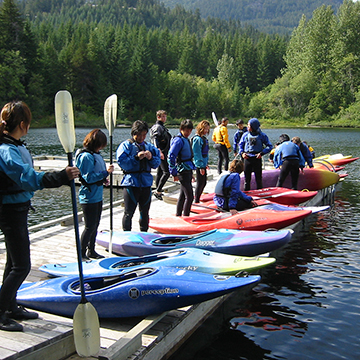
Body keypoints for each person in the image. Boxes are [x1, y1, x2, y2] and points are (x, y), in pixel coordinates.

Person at [0, 101, 79, 332]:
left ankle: (11, 305)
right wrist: (60, 177)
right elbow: (27, 178)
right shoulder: (6, 151)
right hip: (9, 211)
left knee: (13, 262)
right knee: (22, 266)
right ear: (23, 124)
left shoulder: (14, 145)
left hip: (18, 207)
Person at [75, 129, 114, 261]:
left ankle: (91, 250)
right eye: (101, 144)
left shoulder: (96, 155)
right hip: (88, 197)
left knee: (95, 225)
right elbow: (88, 178)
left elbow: (96, 175)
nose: (102, 147)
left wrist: (104, 179)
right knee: (89, 226)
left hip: (97, 196)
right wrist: (105, 173)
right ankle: (81, 254)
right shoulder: (86, 157)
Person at [117, 120, 161, 232]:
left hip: (145, 183)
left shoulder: (149, 147)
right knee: (128, 212)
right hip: (131, 183)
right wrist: (136, 157)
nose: (142, 137)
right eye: (139, 134)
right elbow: (122, 163)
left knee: (144, 212)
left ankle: (144, 234)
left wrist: (151, 157)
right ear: (134, 133)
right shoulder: (126, 146)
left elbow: (156, 163)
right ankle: (126, 235)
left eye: (144, 135)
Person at [168, 119, 196, 216]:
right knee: (190, 196)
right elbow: (171, 156)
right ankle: (186, 216)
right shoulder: (178, 141)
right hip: (182, 171)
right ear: (181, 129)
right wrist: (173, 172)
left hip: (187, 170)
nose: (188, 133)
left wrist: (191, 174)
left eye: (190, 131)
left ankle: (178, 214)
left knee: (183, 195)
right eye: (186, 130)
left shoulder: (186, 139)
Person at [239, 118, 272, 190]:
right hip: (247, 158)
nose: (247, 127)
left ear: (254, 126)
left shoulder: (262, 135)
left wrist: (262, 153)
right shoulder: (245, 135)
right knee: (247, 180)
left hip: (257, 158)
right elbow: (240, 145)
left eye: (249, 125)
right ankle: (246, 193)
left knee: (258, 179)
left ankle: (260, 193)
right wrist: (242, 153)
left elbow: (269, 146)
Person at [149, 110, 171, 200]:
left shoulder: (162, 127)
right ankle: (158, 190)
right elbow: (155, 139)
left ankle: (157, 190)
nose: (164, 118)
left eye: (165, 116)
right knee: (166, 172)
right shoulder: (157, 127)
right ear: (158, 117)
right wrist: (159, 151)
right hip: (160, 152)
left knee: (160, 171)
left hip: (164, 151)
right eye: (162, 117)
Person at [191, 120, 210, 203]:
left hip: (203, 163)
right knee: (200, 182)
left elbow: (205, 153)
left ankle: (197, 198)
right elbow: (197, 153)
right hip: (199, 165)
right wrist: (200, 166)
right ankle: (196, 200)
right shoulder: (197, 139)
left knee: (204, 182)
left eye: (207, 129)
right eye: (205, 129)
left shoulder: (203, 139)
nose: (206, 131)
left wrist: (206, 164)